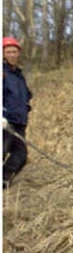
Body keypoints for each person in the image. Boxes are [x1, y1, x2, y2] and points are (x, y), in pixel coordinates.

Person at [3, 36, 32, 188]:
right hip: (5, 122)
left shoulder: (19, 75)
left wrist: (26, 106)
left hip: (19, 121)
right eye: (9, 52)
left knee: (21, 155)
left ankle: (3, 180)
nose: (12, 55)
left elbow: (26, 95)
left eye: (15, 52)